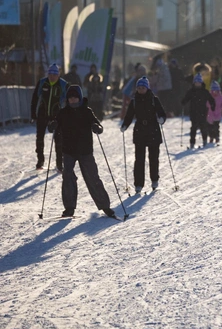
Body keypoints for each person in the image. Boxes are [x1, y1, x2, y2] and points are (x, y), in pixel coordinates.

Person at [48, 85, 115, 218]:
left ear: (79, 98)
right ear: (67, 99)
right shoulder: (63, 112)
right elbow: (53, 124)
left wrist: (97, 127)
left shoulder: (86, 111)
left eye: (75, 97)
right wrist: (53, 125)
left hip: (85, 150)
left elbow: (98, 124)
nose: (72, 100)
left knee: (92, 177)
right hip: (68, 150)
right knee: (68, 177)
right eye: (70, 98)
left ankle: (105, 206)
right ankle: (69, 208)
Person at [120, 76, 167, 194]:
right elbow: (129, 115)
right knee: (139, 159)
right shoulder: (134, 101)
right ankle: (138, 184)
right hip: (140, 130)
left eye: (143, 87)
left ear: (147, 88)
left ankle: (154, 180)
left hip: (153, 130)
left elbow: (161, 112)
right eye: (139, 88)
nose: (141, 90)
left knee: (153, 158)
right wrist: (125, 125)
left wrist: (161, 119)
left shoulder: (153, 99)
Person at [31, 63, 68, 171]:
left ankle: (59, 163)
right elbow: (35, 98)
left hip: (57, 115)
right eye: (50, 74)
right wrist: (33, 113)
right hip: (42, 113)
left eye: (54, 74)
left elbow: (69, 100)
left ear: (58, 75)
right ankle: (40, 161)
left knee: (59, 140)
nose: (52, 76)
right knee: (39, 138)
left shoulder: (63, 84)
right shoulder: (42, 82)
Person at [181, 73, 215, 149]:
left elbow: (211, 99)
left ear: (201, 83)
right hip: (193, 112)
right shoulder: (191, 91)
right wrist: (183, 102)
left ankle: (205, 140)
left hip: (203, 112)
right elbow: (186, 98)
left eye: (199, 82)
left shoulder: (205, 91)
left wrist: (212, 105)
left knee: (203, 127)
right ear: (194, 83)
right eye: (196, 83)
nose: (197, 84)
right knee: (193, 128)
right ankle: (192, 143)